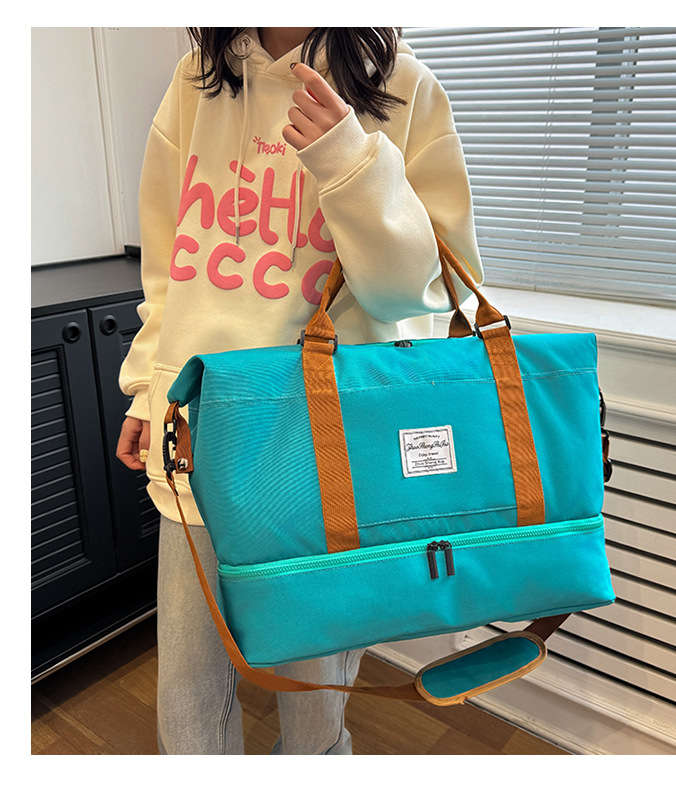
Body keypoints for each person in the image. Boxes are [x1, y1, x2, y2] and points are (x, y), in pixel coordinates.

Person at [115, 27, 482, 755]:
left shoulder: (404, 87)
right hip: (198, 426)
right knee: (187, 687)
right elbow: (167, 265)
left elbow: (423, 292)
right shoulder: (196, 81)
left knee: (315, 691)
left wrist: (349, 162)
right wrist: (146, 389)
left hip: (327, 444)